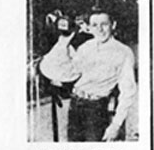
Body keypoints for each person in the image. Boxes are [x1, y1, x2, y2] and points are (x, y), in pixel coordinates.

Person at [39, 9, 137, 142]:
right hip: (75, 105)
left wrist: (115, 125)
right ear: (89, 28)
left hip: (96, 110)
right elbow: (65, 73)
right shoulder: (85, 48)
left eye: (104, 24)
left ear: (113, 25)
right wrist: (64, 42)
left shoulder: (123, 52)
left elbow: (128, 92)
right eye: (95, 25)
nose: (100, 29)